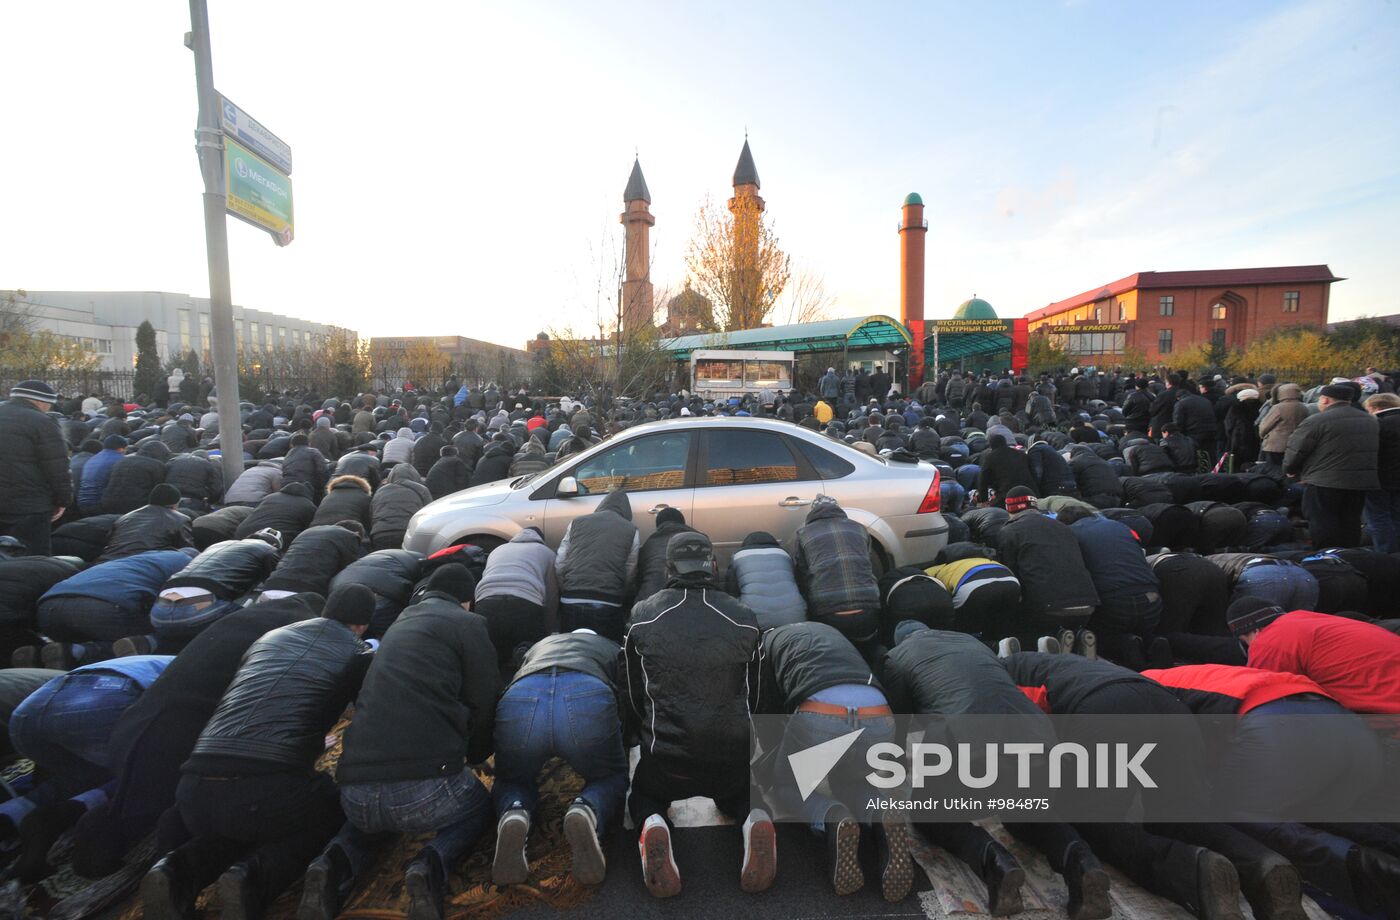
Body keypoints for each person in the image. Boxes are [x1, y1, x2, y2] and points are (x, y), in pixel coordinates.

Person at [143, 585, 376, 920]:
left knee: (242, 824)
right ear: (363, 625)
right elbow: (368, 716)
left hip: (193, 786)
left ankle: (175, 872)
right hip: (266, 788)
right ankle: (251, 879)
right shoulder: (357, 652)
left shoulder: (270, 638)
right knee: (333, 809)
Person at [68, 593, 322, 879]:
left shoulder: (244, 619)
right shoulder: (299, 629)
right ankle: (171, 869)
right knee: (184, 801)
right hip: (178, 729)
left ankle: (112, 848)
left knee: (131, 796)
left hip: (132, 725)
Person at [302, 568, 495, 920]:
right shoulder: (469, 624)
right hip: (425, 789)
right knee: (480, 808)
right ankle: (429, 866)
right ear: (467, 600)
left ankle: (332, 864)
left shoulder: (399, 623)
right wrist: (477, 754)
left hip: (354, 791)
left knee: (370, 823)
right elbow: (484, 697)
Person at [882, 623, 1110, 919]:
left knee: (930, 813)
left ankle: (996, 865)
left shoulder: (898, 656)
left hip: (968, 735)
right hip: (1036, 731)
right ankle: (1082, 863)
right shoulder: (968, 639)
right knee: (1027, 812)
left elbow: (900, 720)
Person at [623, 532, 771, 899]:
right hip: (729, 754)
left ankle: (654, 822)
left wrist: (641, 734)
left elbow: (631, 693)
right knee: (742, 795)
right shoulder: (745, 618)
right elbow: (758, 697)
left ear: (667, 568)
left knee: (643, 796)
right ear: (713, 565)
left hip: (668, 757)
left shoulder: (642, 617)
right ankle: (753, 819)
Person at [757, 620, 913, 901]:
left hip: (821, 714)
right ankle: (881, 814)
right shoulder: (829, 633)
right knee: (851, 779)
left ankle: (832, 818)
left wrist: (777, 757)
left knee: (788, 785)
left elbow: (766, 710)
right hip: (878, 715)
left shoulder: (767, 646)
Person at [0, 655, 171, 880]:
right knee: (149, 769)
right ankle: (68, 813)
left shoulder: (167, 660)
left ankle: (14, 815)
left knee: (86, 774)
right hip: (101, 699)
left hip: (27, 716)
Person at [488, 628, 627, 888]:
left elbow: (521, 658)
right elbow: (628, 692)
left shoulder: (543, 643)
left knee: (512, 779)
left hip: (522, 694)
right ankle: (586, 809)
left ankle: (514, 811)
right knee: (611, 776)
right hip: (587, 693)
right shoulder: (608, 646)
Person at [1228, 597, 1400, 713]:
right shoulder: (1312, 621)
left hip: (1388, 716)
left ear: (1255, 631)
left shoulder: (1270, 640)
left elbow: (1264, 695)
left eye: (1246, 641)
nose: (1250, 648)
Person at [33, 548, 196, 669]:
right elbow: (179, 606)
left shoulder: (139, 559)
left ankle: (39, 656)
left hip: (48, 608)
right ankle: (80, 652)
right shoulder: (188, 563)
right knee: (159, 641)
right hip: (102, 607)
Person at [132, 529, 284, 654]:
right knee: (245, 620)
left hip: (162, 603)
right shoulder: (268, 550)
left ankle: (149, 642)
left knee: (180, 626)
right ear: (275, 546)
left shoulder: (218, 545)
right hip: (201, 601)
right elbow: (275, 584)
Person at [1058, 506, 1164, 668]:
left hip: (1113, 602)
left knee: (1095, 636)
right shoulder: (1120, 526)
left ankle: (1125, 644)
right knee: (1144, 629)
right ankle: (1153, 641)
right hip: (1152, 598)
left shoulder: (1070, 534)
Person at [996, 488, 1100, 652]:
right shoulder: (1064, 527)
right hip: (1088, 604)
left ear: (1009, 509)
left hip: (1048, 608)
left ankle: (1051, 644)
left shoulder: (1010, 531)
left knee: (1015, 622)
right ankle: (1076, 636)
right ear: (1035, 505)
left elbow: (1011, 575)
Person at [1283, 383, 1379, 548]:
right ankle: (1349, 554)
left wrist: (1290, 469)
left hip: (1324, 480)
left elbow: (1297, 449)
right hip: (1360, 480)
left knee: (1322, 518)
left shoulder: (1317, 420)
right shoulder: (1370, 420)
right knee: (1351, 519)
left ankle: (1327, 554)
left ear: (1325, 400)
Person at [793, 495, 881, 649]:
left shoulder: (803, 534)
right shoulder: (860, 528)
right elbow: (866, 563)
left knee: (837, 654)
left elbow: (802, 574)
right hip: (868, 609)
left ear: (813, 513)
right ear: (839, 509)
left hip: (829, 613)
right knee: (868, 652)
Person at [0, 379, 73, 556]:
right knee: (32, 558)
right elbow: (57, 467)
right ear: (40, 402)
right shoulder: (42, 422)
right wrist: (63, 500)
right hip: (29, 505)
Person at [555, 490, 638, 641]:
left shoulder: (576, 522)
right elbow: (630, 570)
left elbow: (560, 562)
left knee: (567, 650)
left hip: (571, 600)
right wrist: (621, 593)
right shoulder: (631, 530)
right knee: (607, 652)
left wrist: (566, 588)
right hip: (609, 602)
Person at [472, 527, 558, 669]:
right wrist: (547, 633)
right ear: (540, 539)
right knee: (532, 658)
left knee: (494, 657)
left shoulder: (498, 550)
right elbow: (552, 596)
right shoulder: (546, 552)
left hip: (486, 603)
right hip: (525, 602)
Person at [725, 530, 806, 629]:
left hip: (755, 621)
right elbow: (800, 583)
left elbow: (731, 593)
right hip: (796, 618)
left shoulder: (738, 556)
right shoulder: (785, 554)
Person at [96, 483, 193, 563]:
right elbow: (188, 551)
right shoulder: (180, 519)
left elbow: (109, 542)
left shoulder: (126, 517)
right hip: (140, 564)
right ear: (175, 504)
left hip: (104, 562)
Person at [633, 507, 695, 603]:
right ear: (683, 522)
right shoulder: (700, 539)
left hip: (651, 602)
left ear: (658, 526)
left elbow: (638, 578)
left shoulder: (650, 543)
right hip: (694, 600)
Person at [1363, 391, 1400, 553]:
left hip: (1381, 477)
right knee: (1396, 514)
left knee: (1378, 517)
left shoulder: (1378, 424)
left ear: (1374, 407)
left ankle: (1386, 553)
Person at [101, 440, 172, 515]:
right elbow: (158, 490)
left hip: (108, 503)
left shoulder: (122, 461)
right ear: (162, 454)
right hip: (135, 507)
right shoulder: (157, 465)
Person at [370, 463, 431, 550]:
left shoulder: (380, 490)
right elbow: (429, 514)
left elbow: (372, 514)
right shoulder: (422, 489)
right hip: (407, 532)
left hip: (380, 534)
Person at [975, 434, 1038, 507]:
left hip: (1007, 494)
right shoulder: (1021, 454)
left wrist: (983, 500)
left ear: (991, 445)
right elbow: (1034, 474)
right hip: (1030, 492)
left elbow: (983, 480)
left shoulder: (990, 457)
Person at [1256, 383, 1307, 466]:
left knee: (1272, 469)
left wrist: (1262, 436)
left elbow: (1265, 426)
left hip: (1275, 445)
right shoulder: (1303, 407)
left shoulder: (1278, 407)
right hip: (1294, 444)